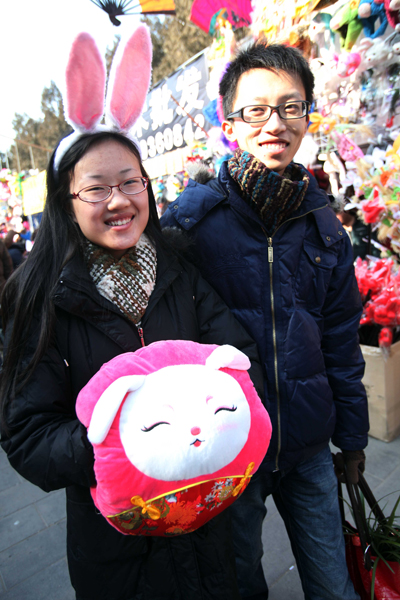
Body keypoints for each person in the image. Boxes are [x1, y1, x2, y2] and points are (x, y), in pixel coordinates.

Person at [0, 130, 264, 600]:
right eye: (97, 188)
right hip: (116, 544)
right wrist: (129, 449)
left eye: (130, 182)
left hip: (205, 527)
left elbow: (240, 364)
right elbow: (27, 434)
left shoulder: (180, 270)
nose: (118, 201)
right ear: (66, 202)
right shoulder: (43, 298)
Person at [161, 42, 369, 600]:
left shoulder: (327, 227)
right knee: (239, 585)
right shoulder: (190, 222)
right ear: (232, 123)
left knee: (335, 585)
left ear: (307, 116)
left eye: (290, 106)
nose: (274, 123)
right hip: (230, 456)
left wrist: (352, 439)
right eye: (256, 109)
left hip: (307, 449)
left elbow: (342, 344)